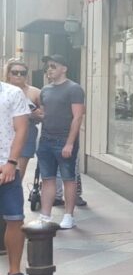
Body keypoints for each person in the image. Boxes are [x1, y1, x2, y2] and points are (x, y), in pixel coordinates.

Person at [36, 54, 85, 229]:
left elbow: (78, 117)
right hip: (45, 140)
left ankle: (69, 215)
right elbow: (43, 114)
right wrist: (36, 115)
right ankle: (45, 215)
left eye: (53, 66)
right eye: (48, 67)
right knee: (47, 179)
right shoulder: (45, 90)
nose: (49, 69)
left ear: (64, 68)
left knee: (68, 178)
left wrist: (70, 143)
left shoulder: (74, 89)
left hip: (64, 140)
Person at [0, 76, 30, 275]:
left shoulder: (12, 93)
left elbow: (21, 129)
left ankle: (14, 271)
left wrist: (12, 162)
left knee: (15, 219)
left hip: (5, 166)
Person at [4, 60, 41, 175]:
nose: (19, 75)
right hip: (4, 132)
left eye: (23, 73)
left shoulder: (34, 92)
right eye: (15, 72)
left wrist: (33, 112)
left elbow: (44, 115)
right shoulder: (3, 90)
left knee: (18, 172)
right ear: (9, 74)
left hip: (27, 133)